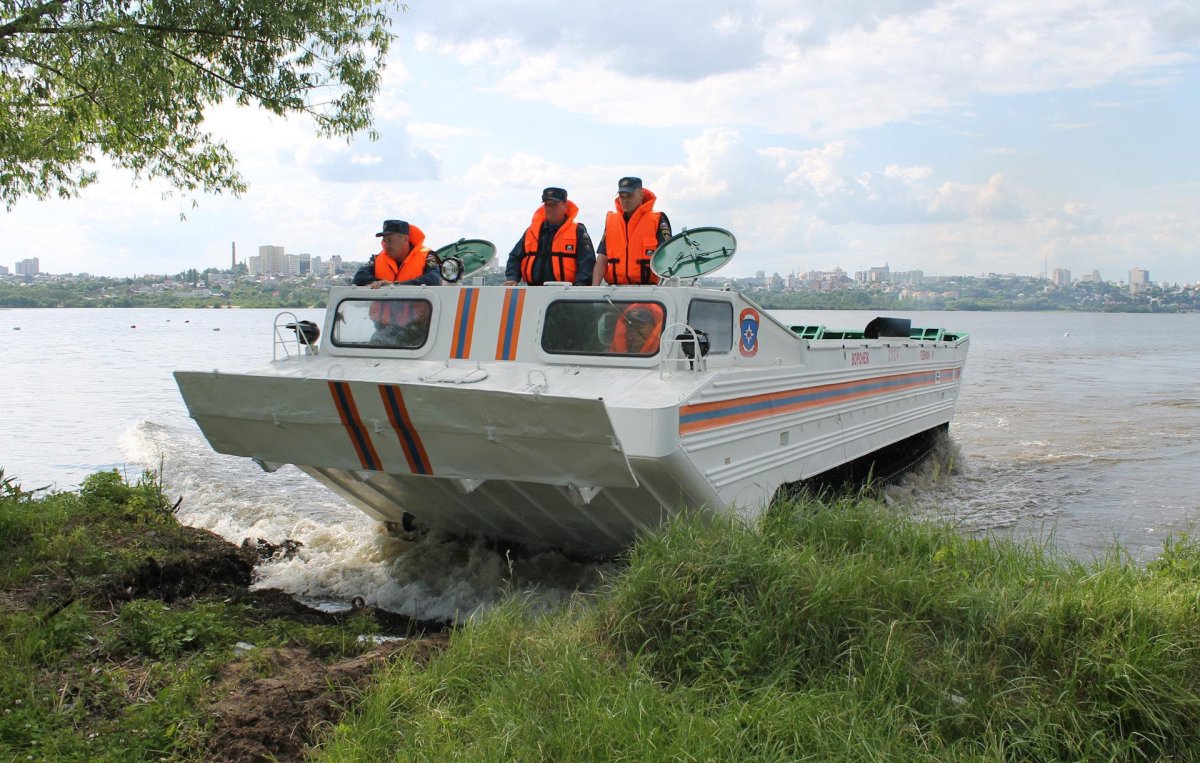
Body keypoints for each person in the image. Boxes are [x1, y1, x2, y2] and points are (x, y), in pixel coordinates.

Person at [503, 187, 595, 286]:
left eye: (554, 205)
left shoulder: (578, 231)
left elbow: (587, 263)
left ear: (565, 205)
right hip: (534, 291)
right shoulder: (532, 231)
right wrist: (512, 278)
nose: (550, 208)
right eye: (547, 205)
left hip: (565, 293)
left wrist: (580, 286)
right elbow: (515, 257)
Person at [592, 177, 671, 286]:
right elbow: (602, 259)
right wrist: (594, 289)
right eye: (622, 197)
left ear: (641, 195)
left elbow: (667, 257)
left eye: (629, 196)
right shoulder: (612, 221)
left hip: (649, 292)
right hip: (614, 291)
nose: (625, 200)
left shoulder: (657, 219)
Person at [368, 219, 442, 287]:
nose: (386, 246)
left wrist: (396, 285)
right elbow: (360, 277)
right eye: (384, 241)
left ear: (405, 239)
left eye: (390, 240)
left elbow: (434, 279)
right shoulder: (377, 259)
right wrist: (378, 284)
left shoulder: (427, 256)